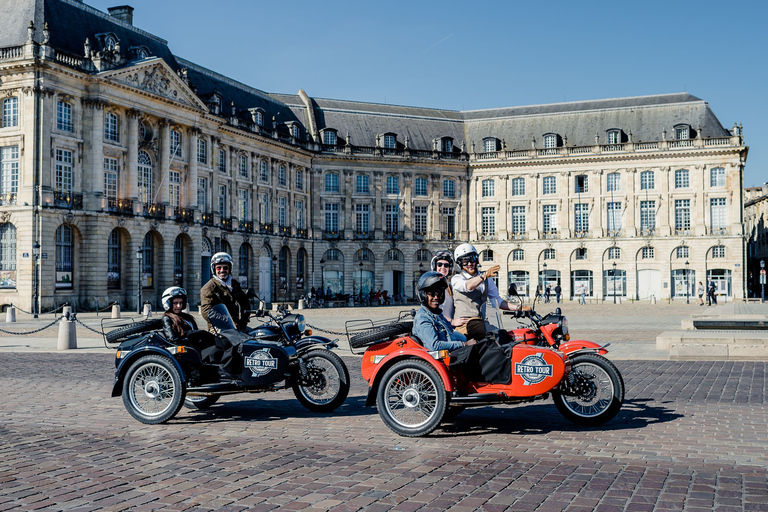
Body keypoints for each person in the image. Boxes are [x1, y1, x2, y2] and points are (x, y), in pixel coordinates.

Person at [451, 243, 514, 340]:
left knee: (504, 335)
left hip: (481, 321)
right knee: (494, 336)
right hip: (465, 323)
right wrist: (484, 276)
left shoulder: (487, 278)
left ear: (476, 259)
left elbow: (498, 300)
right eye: (465, 261)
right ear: (460, 264)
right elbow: (468, 286)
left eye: (472, 259)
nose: (469, 264)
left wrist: (519, 308)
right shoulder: (457, 279)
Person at [412, 271, 475, 351]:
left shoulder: (437, 314)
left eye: (439, 294)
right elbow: (435, 346)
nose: (436, 297)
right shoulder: (424, 318)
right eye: (432, 294)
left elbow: (448, 328)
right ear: (423, 296)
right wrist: (464, 344)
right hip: (444, 358)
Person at [200, 252, 251, 331]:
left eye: (225, 268)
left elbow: (245, 303)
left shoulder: (234, 284)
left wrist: (243, 321)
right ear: (214, 269)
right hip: (218, 327)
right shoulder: (208, 287)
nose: (222, 270)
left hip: (237, 325)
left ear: (230, 269)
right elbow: (207, 312)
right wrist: (228, 322)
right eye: (218, 268)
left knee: (255, 336)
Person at [431, 249, 468, 329]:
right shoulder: (432, 286)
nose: (443, 267)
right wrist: (452, 321)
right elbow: (433, 311)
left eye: (446, 265)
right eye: (439, 265)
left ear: (450, 268)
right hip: (439, 327)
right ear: (435, 266)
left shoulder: (450, 286)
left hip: (449, 327)